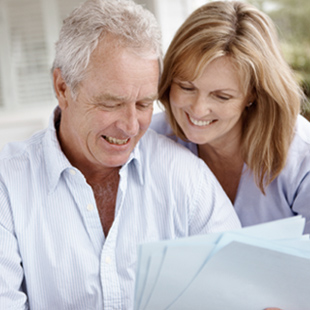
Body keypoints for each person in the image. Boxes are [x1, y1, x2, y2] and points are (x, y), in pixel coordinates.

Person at [0, 0, 241, 309]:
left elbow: (237, 291)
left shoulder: (185, 177)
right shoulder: (8, 185)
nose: (130, 126)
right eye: (111, 103)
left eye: (143, 104)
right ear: (63, 87)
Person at [151, 0, 310, 233]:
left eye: (221, 97)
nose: (198, 109)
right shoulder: (149, 140)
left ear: (253, 94)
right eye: (186, 87)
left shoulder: (302, 157)